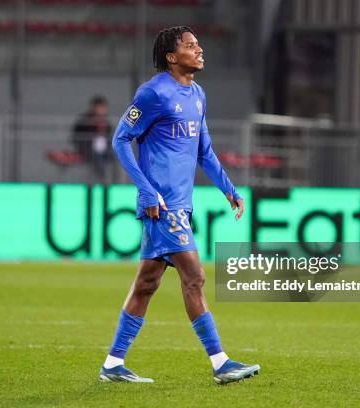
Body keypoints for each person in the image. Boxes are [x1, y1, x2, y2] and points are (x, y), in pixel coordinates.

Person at [99, 26, 260, 384]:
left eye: (199, 43)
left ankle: (112, 364)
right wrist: (146, 191)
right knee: (195, 277)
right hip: (162, 204)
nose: (199, 49)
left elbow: (204, 150)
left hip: (181, 204)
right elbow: (121, 139)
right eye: (190, 45)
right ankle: (221, 363)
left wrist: (228, 189)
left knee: (146, 283)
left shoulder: (198, 94)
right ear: (172, 57)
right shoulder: (153, 92)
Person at [71, 95, 112, 180]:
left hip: (105, 149)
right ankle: (101, 181)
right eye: (99, 107)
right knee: (98, 158)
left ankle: (117, 181)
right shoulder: (84, 121)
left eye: (103, 107)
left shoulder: (106, 122)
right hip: (89, 149)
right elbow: (77, 136)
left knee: (119, 156)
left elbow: (110, 135)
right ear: (93, 107)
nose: (101, 110)